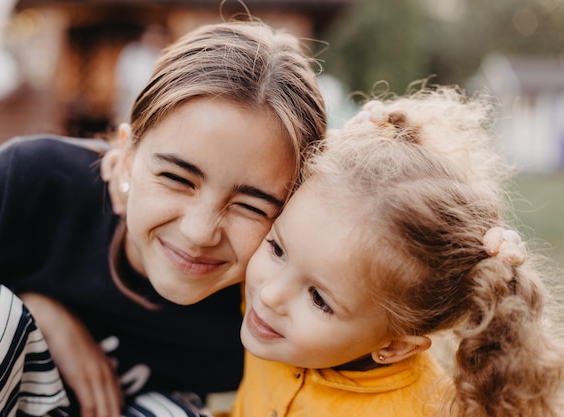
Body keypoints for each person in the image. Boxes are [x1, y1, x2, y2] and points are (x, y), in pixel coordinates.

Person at [0, 19, 326, 417]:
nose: (198, 232)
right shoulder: (32, 182)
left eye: (250, 206)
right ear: (124, 162)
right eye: (177, 179)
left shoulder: (272, 311)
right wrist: (35, 309)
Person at [232, 86, 564, 417]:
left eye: (319, 299)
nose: (270, 293)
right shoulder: (269, 316)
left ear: (394, 347)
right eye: (277, 249)